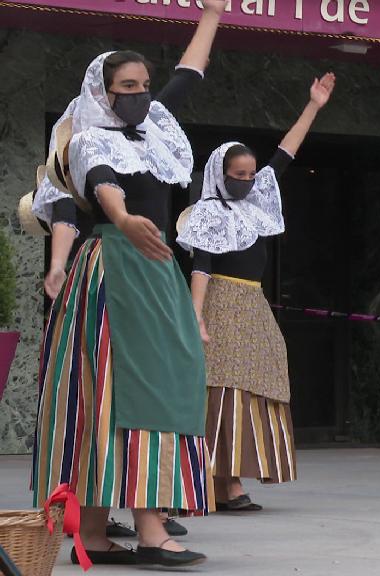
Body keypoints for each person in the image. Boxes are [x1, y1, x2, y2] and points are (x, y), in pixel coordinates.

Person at [32, 2, 226, 567]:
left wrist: (212, 13)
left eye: (143, 83)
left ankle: (93, 533)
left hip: (153, 268)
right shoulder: (92, 138)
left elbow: (190, 73)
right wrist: (121, 219)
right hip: (117, 267)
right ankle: (146, 527)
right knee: (132, 387)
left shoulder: (154, 130)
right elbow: (102, 184)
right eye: (127, 85)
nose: (139, 93)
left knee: (120, 389)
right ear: (103, 91)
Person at [176, 74, 335, 512]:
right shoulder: (209, 212)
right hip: (222, 303)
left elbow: (285, 154)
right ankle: (217, 484)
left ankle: (233, 478)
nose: (247, 180)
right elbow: (202, 266)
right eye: (238, 174)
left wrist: (313, 106)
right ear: (220, 174)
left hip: (253, 302)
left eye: (249, 174)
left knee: (255, 383)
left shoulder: (257, 201)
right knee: (220, 387)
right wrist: (196, 315)